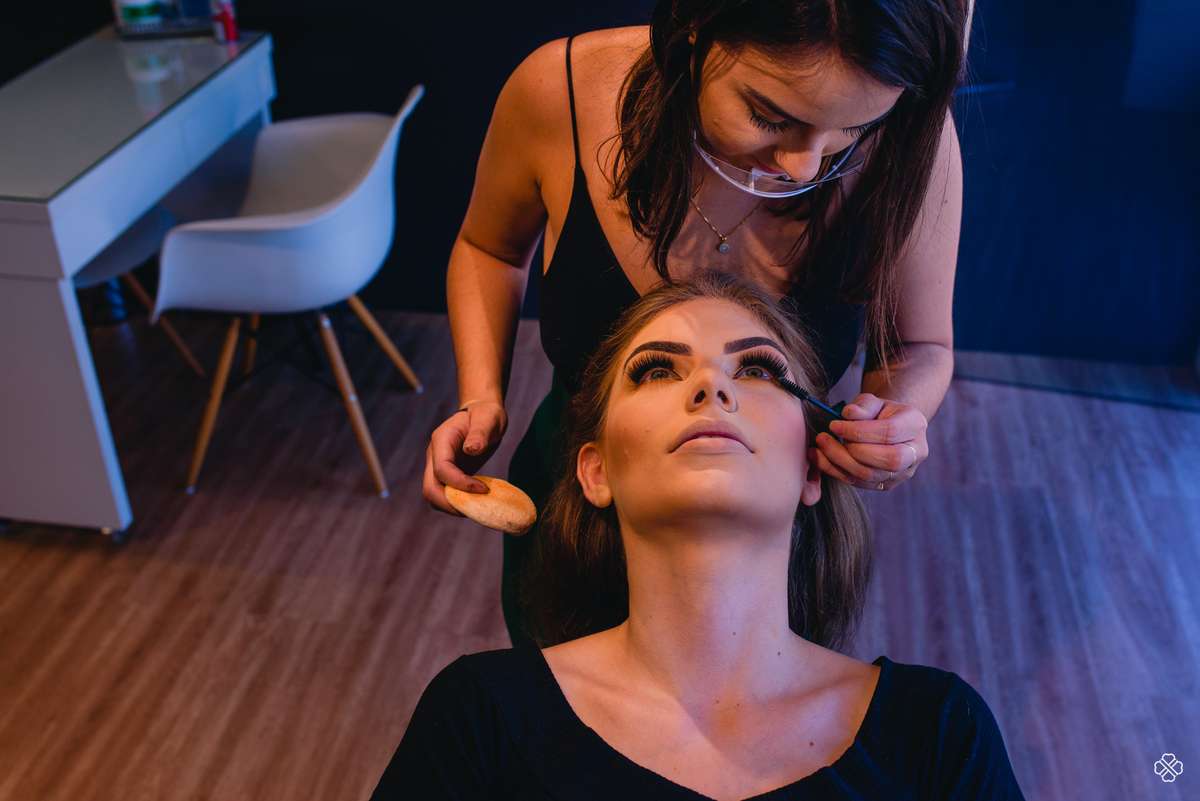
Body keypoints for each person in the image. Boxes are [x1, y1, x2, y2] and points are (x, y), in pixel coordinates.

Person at [425, 0, 968, 642]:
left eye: (851, 133)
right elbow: (489, 250)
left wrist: (894, 420)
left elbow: (918, 343)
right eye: (768, 115)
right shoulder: (557, 91)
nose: (803, 166)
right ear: (693, 28)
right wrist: (480, 395)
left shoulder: (911, 142)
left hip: (770, 532)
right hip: (575, 511)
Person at [381, 275, 1023, 799]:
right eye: (656, 370)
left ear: (811, 467)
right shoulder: (480, 716)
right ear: (595, 470)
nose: (711, 386)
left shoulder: (936, 732)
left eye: (761, 371)